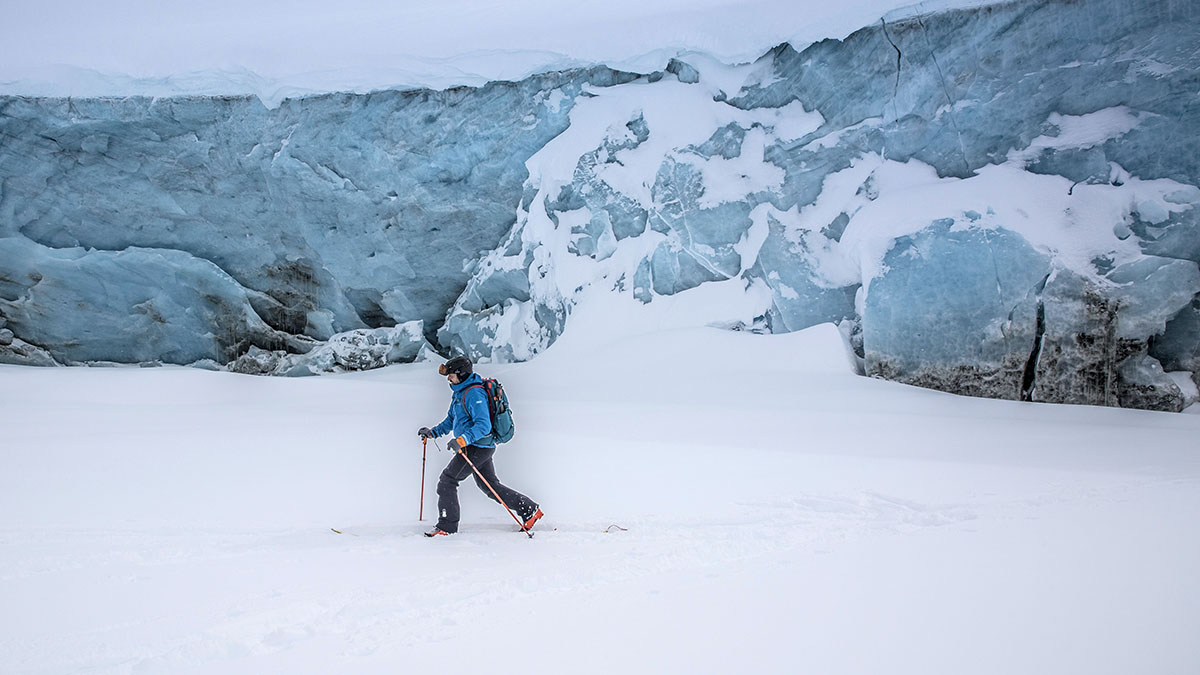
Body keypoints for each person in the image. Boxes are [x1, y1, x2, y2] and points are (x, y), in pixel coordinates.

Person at [418, 356, 542, 537]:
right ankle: (529, 510)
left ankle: (447, 526)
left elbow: (483, 425)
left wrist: (462, 440)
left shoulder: (474, 394)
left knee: (447, 481)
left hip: (477, 447)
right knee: (490, 487)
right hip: (477, 446)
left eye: (451, 375)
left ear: (461, 374)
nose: (448, 379)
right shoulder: (460, 392)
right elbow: (452, 419)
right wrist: (433, 432)